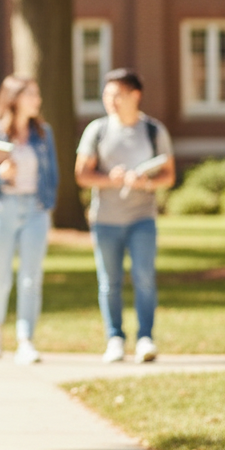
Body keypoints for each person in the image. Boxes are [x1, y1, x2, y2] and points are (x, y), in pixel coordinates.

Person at [75, 68, 176, 363]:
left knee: (144, 278)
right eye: (107, 95)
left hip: (142, 218)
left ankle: (145, 338)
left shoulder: (154, 130)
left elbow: (168, 175)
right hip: (105, 219)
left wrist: (146, 183)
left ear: (135, 96)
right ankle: (115, 338)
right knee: (109, 282)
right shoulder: (98, 130)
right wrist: (111, 179)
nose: (111, 101)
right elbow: (82, 174)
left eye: (117, 95)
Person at [0, 76, 58, 364]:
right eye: (31, 95)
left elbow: (53, 175)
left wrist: (47, 205)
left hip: (34, 210)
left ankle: (26, 340)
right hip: (2, 207)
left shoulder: (43, 133)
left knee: (30, 278)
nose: (37, 100)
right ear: (14, 99)